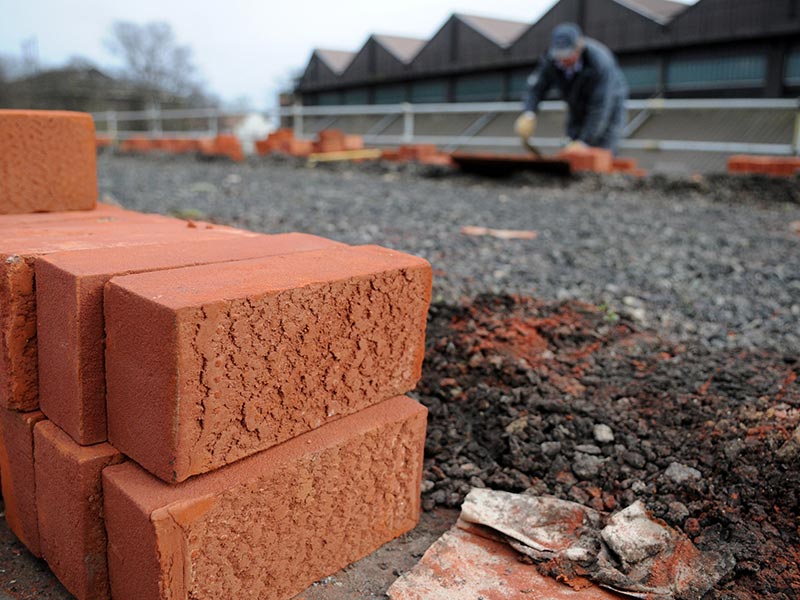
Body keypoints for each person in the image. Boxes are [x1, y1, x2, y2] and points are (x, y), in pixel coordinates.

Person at [514, 23, 628, 155]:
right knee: (571, 140)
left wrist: (585, 142)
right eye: (559, 55)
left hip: (609, 106)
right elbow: (536, 88)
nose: (562, 60)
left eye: (566, 55)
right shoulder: (551, 61)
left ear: (578, 49)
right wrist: (529, 113)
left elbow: (600, 107)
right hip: (576, 105)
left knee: (601, 149)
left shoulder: (599, 63)